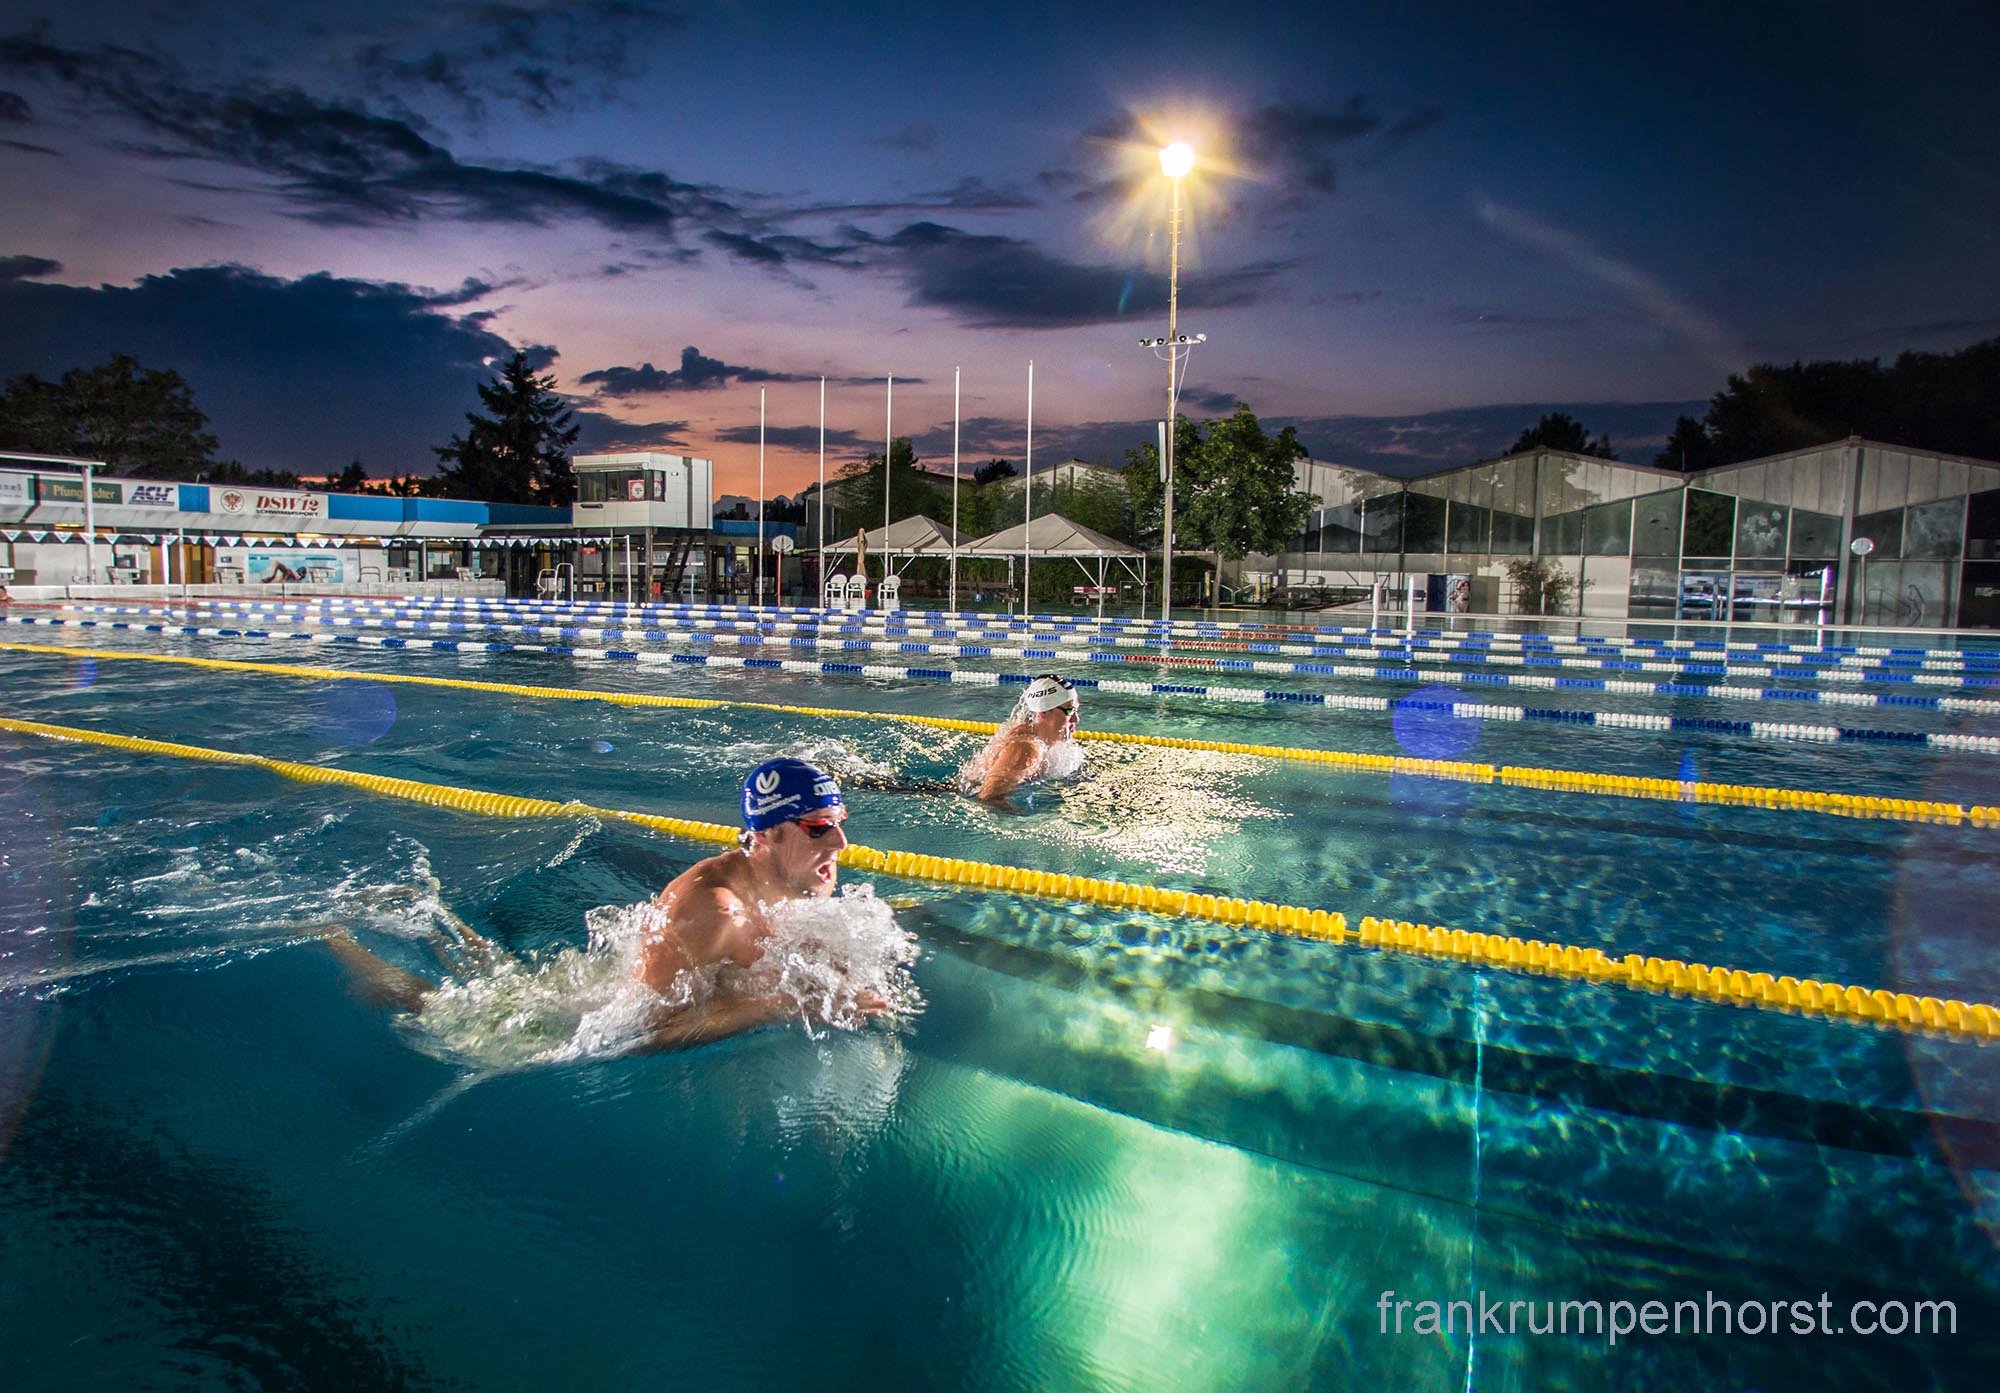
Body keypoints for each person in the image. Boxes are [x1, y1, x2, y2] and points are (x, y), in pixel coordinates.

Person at [632, 755, 885, 1045]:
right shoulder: (710, 912)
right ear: (765, 834)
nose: (840, 842)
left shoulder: (811, 872)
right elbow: (647, 1032)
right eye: (818, 827)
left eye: (838, 822)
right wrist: (785, 1004)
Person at [959, 674, 1081, 804]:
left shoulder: (1035, 737)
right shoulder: (1027, 749)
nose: (1076, 719)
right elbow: (988, 797)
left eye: (1076, 711)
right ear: (1043, 712)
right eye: (1069, 711)